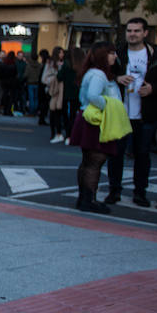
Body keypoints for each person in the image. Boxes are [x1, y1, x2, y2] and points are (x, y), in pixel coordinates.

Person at [105, 18, 157, 207]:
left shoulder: (156, 55)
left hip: (146, 114)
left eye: (136, 31)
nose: (132, 34)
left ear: (145, 33)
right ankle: (114, 191)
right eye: (129, 31)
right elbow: (104, 73)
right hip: (120, 112)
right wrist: (118, 78)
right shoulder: (118, 53)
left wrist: (153, 88)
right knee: (116, 154)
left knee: (142, 155)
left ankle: (140, 193)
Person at [70, 42, 121, 214]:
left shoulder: (91, 72)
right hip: (95, 120)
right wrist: (108, 104)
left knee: (88, 161)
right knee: (95, 161)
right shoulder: (99, 74)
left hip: (86, 118)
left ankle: (84, 198)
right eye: (110, 53)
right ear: (101, 56)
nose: (114, 56)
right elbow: (93, 95)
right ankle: (88, 199)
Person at [57, 46, 85, 145]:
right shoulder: (83, 66)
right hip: (79, 93)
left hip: (66, 93)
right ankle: (75, 135)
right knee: (76, 114)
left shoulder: (66, 64)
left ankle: (69, 135)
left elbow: (59, 77)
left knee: (67, 115)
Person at [43, 46, 66, 143]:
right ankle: (55, 133)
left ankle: (58, 133)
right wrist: (54, 79)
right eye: (60, 53)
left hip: (60, 91)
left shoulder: (63, 63)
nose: (62, 54)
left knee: (58, 112)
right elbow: (44, 78)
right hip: (53, 90)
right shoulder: (51, 64)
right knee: (54, 112)